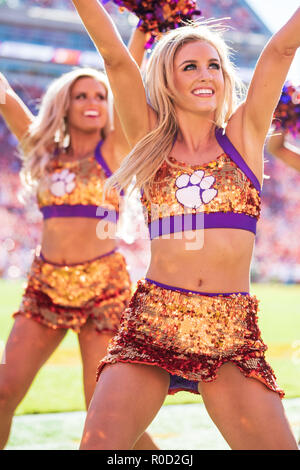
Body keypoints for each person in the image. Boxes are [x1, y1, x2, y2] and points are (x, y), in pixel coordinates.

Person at [72, 0, 299, 450]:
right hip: (153, 323)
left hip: (230, 330)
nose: (205, 74)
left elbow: (278, 51)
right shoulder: (150, 142)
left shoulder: (244, 134)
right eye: (190, 66)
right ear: (167, 81)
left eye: (213, 65)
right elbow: (115, 57)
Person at [0, 28, 157, 450]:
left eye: (100, 96)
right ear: (64, 104)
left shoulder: (118, 147)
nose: (92, 103)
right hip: (44, 288)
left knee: (105, 413)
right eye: (81, 95)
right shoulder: (44, 149)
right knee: (2, 392)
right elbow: (5, 96)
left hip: (103, 292)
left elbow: (125, 69)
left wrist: (146, 23)